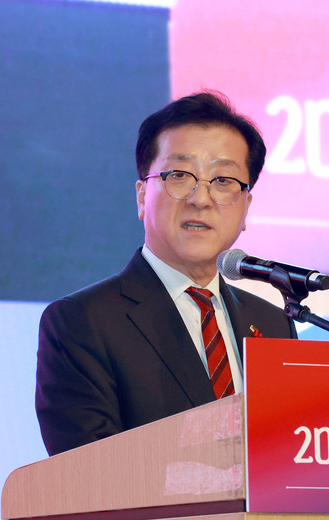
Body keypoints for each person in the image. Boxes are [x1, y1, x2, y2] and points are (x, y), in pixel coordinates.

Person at [35, 92, 297, 456]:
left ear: (245, 207)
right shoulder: (82, 322)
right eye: (180, 175)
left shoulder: (273, 324)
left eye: (223, 180)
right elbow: (89, 471)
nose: (200, 199)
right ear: (142, 196)